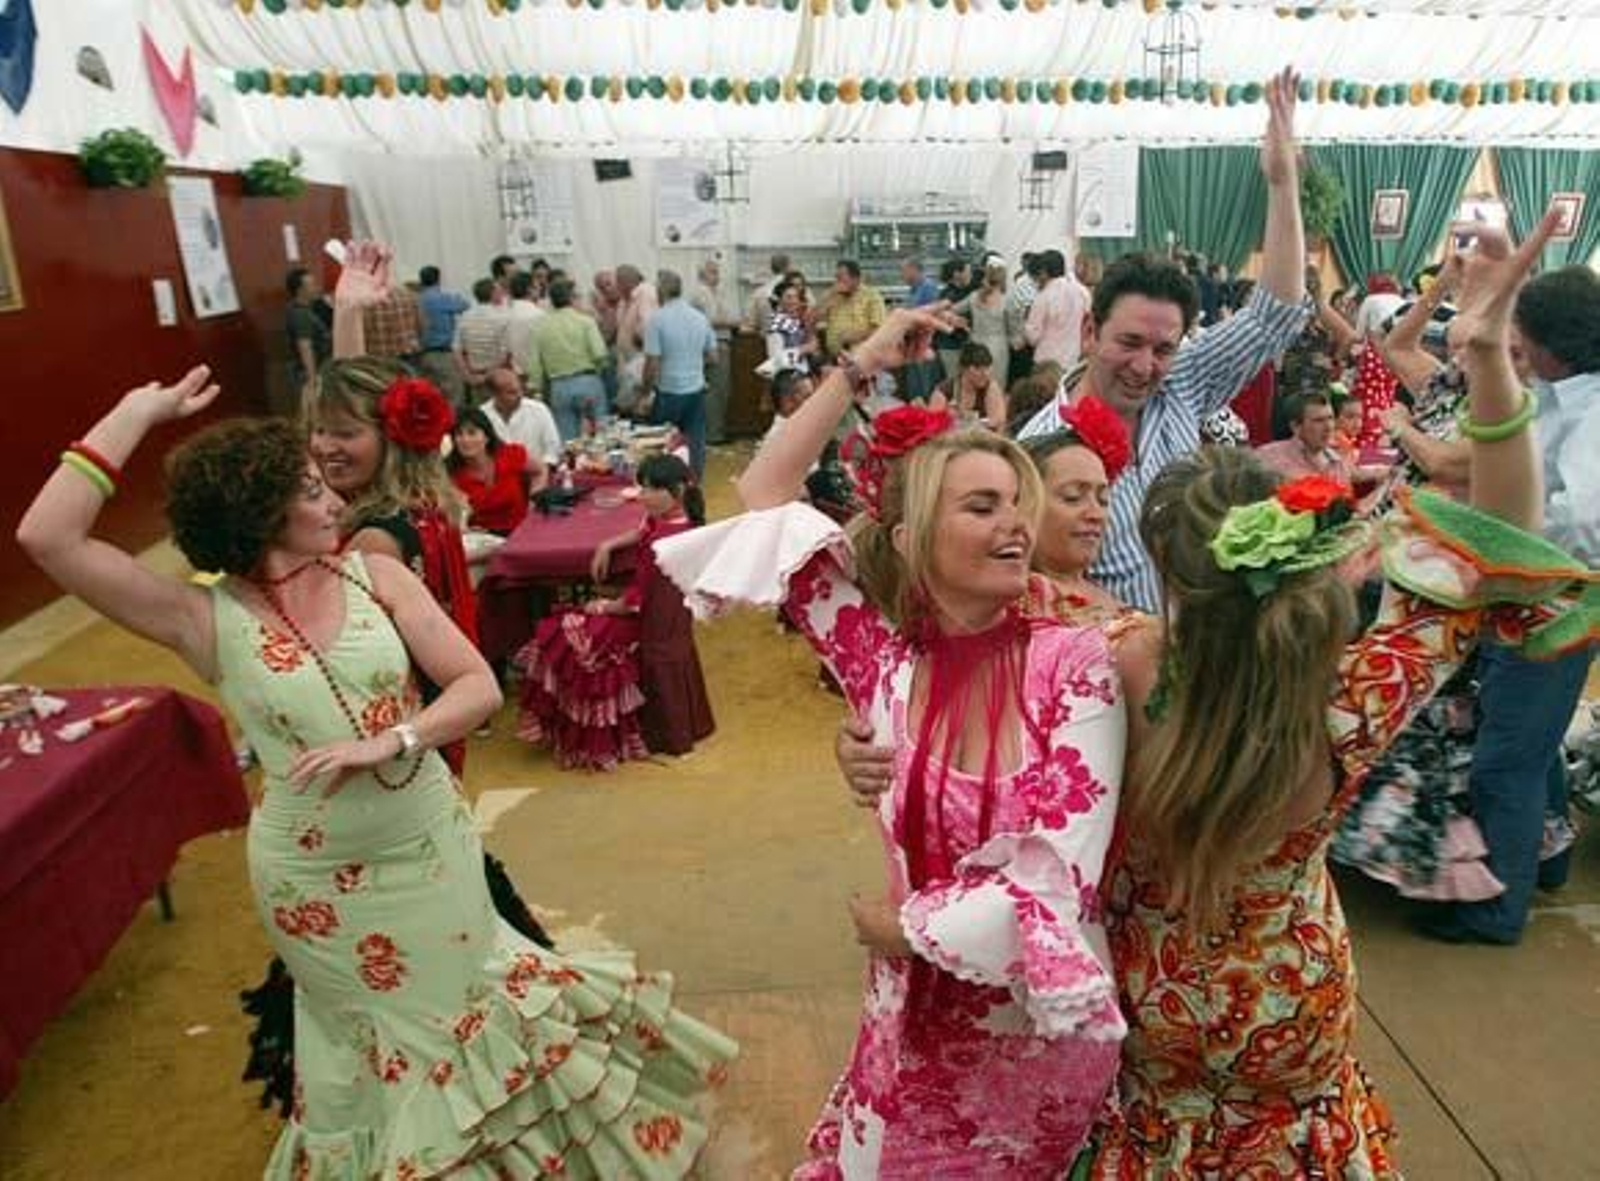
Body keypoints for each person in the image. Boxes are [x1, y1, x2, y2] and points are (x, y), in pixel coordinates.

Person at [834, 204, 1596, 1177]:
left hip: (1148, 1035)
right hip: (1295, 1037)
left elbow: (911, 575)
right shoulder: (1346, 702)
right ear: (1305, 566)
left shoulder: (1098, 652)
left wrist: (878, 726)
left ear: (1159, 561)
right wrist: (1488, 362)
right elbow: (1502, 553)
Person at [17, 366, 738, 1180]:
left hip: (427, 844)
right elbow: (49, 538)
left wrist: (392, 739)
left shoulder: (375, 574)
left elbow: (472, 688)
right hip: (313, 883)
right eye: (308, 489)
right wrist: (132, 409)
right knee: (377, 1048)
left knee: (468, 1016)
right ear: (258, 512)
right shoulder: (199, 618)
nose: (331, 499)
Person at [656, 306, 1129, 1177]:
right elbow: (763, 497)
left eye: (1017, 506)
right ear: (913, 541)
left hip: (1028, 1041)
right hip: (903, 1020)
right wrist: (862, 362)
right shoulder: (879, 663)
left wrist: (904, 927)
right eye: (982, 506)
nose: (1015, 526)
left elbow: (1060, 871)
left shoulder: (1077, 665)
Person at [1018, 70, 1313, 613]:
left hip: (1201, 658)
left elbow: (1276, 313)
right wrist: (1142, 640)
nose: (1144, 365)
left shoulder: (1182, 382)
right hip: (1108, 678)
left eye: (1163, 348)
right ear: (1089, 331)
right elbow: (1035, 587)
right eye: (1128, 342)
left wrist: (1281, 184)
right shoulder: (1041, 446)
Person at [1421, 261, 1600, 945]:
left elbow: (1582, 522)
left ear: (1550, 342)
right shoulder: (1559, 397)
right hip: (1535, 596)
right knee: (1532, 741)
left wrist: (1498, 529)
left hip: (1553, 602)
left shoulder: (1591, 412)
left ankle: (1498, 909)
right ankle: (1544, 858)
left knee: (1506, 759)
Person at [517, 455, 714, 770]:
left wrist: (601, 605)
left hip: (643, 625)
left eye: (651, 490)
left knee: (562, 633)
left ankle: (578, 736)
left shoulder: (660, 545)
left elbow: (633, 603)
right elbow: (642, 530)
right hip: (670, 625)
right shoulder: (681, 523)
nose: (643, 496)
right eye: (642, 487)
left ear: (675, 490)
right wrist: (608, 544)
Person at [642, 270, 718, 478]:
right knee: (695, 442)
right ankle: (693, 483)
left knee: (663, 442)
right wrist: (691, 362)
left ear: (660, 291)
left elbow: (652, 363)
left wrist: (644, 393)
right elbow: (713, 357)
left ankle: (666, 482)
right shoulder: (699, 318)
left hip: (668, 391)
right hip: (696, 389)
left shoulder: (657, 320)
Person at [527, 277, 609, 441]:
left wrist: (536, 389)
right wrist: (598, 372)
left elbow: (534, 366)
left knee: (567, 439)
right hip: (588, 380)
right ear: (572, 298)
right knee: (601, 433)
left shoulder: (540, 326)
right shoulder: (586, 321)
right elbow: (600, 353)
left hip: (559, 385)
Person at [446, 406, 540, 536]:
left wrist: (534, 504)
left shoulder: (509, 454)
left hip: (523, 533)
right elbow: (451, 518)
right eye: (459, 434)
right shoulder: (451, 475)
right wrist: (466, 529)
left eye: (472, 433)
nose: (465, 440)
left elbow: (540, 471)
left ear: (487, 436)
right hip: (483, 542)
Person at [690, 258, 740, 445]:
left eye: (717, 271)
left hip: (720, 341)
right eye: (713, 271)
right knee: (716, 390)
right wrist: (734, 322)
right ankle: (713, 434)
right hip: (713, 344)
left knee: (720, 389)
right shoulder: (701, 293)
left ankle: (715, 431)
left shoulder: (715, 292)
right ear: (702, 273)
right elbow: (710, 319)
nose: (717, 276)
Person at [952, 258, 1021, 391]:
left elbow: (951, 310)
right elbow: (1015, 333)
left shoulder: (973, 296)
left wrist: (959, 323)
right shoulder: (1006, 300)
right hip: (998, 349)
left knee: (972, 387)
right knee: (995, 388)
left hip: (973, 345)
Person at [1256, 392, 1355, 482]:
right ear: (1295, 427)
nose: (1329, 427)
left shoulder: (1338, 462)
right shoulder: (1268, 457)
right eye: (1319, 420)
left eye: (1331, 418)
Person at [481, 365, 561, 474]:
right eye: (511, 393)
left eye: (520, 390)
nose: (519, 395)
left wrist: (543, 470)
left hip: (538, 474)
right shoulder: (482, 414)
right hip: (498, 478)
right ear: (494, 394)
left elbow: (553, 448)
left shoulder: (539, 409)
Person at [1023, 249, 1088, 374]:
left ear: (1044, 272)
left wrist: (1026, 321)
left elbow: (1033, 338)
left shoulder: (1043, 297)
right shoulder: (1082, 292)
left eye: (1037, 275)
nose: (1036, 280)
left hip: (1046, 362)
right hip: (1073, 361)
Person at [451, 277, 512, 407]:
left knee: (481, 418)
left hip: (474, 376)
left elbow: (456, 350)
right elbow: (505, 353)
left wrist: (468, 376)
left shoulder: (464, 317)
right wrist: (488, 375)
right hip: (498, 376)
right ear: (493, 294)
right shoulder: (503, 317)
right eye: (499, 291)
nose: (501, 294)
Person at [414, 265, 469, 407]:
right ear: (438, 279)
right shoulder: (442, 298)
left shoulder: (416, 299)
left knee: (429, 399)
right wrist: (456, 297)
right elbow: (464, 305)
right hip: (443, 354)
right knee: (454, 396)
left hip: (421, 356)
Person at [614, 264, 660, 415]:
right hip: (630, 365)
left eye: (618, 282)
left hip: (641, 363)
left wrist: (639, 337)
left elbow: (649, 326)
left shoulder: (646, 293)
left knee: (641, 411)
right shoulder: (625, 299)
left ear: (628, 281)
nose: (616, 286)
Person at [285, 266, 331, 412]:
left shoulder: (303, 308)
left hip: (316, 370)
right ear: (300, 290)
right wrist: (313, 380)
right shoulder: (301, 315)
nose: (316, 287)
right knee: (315, 412)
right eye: (311, 285)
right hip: (312, 373)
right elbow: (305, 347)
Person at [817, 259, 886, 356]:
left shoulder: (872, 296)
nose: (837, 281)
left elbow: (880, 330)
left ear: (855, 278)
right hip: (835, 356)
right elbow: (815, 320)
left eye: (841, 277)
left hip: (862, 357)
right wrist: (827, 299)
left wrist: (854, 336)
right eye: (836, 278)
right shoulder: (833, 295)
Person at [934, 341, 1006, 428]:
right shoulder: (943, 391)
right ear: (963, 368)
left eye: (987, 367)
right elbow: (933, 425)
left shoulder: (991, 387)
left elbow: (999, 421)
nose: (985, 374)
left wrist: (969, 423)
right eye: (977, 368)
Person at [502, 270, 545, 383]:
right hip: (538, 374)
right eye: (537, 286)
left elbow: (505, 352)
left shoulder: (505, 315)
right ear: (529, 290)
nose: (540, 289)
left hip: (516, 375)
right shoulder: (539, 315)